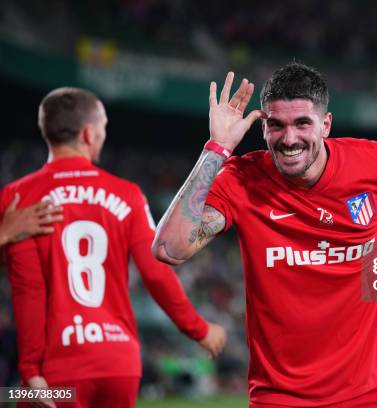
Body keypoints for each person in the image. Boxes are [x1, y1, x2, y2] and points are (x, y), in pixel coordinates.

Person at [153, 62, 377, 407]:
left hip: (372, 392)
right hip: (281, 398)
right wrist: (216, 148)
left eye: (302, 123)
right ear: (263, 126)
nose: (289, 139)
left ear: (326, 125)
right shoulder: (242, 179)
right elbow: (168, 248)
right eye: (276, 125)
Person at [0, 87, 227, 408]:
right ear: (90, 133)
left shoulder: (18, 197)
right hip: (119, 363)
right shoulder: (127, 194)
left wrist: (29, 368)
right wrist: (199, 328)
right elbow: (156, 273)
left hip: (57, 366)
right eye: (104, 129)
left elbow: (29, 288)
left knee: (14, 397)